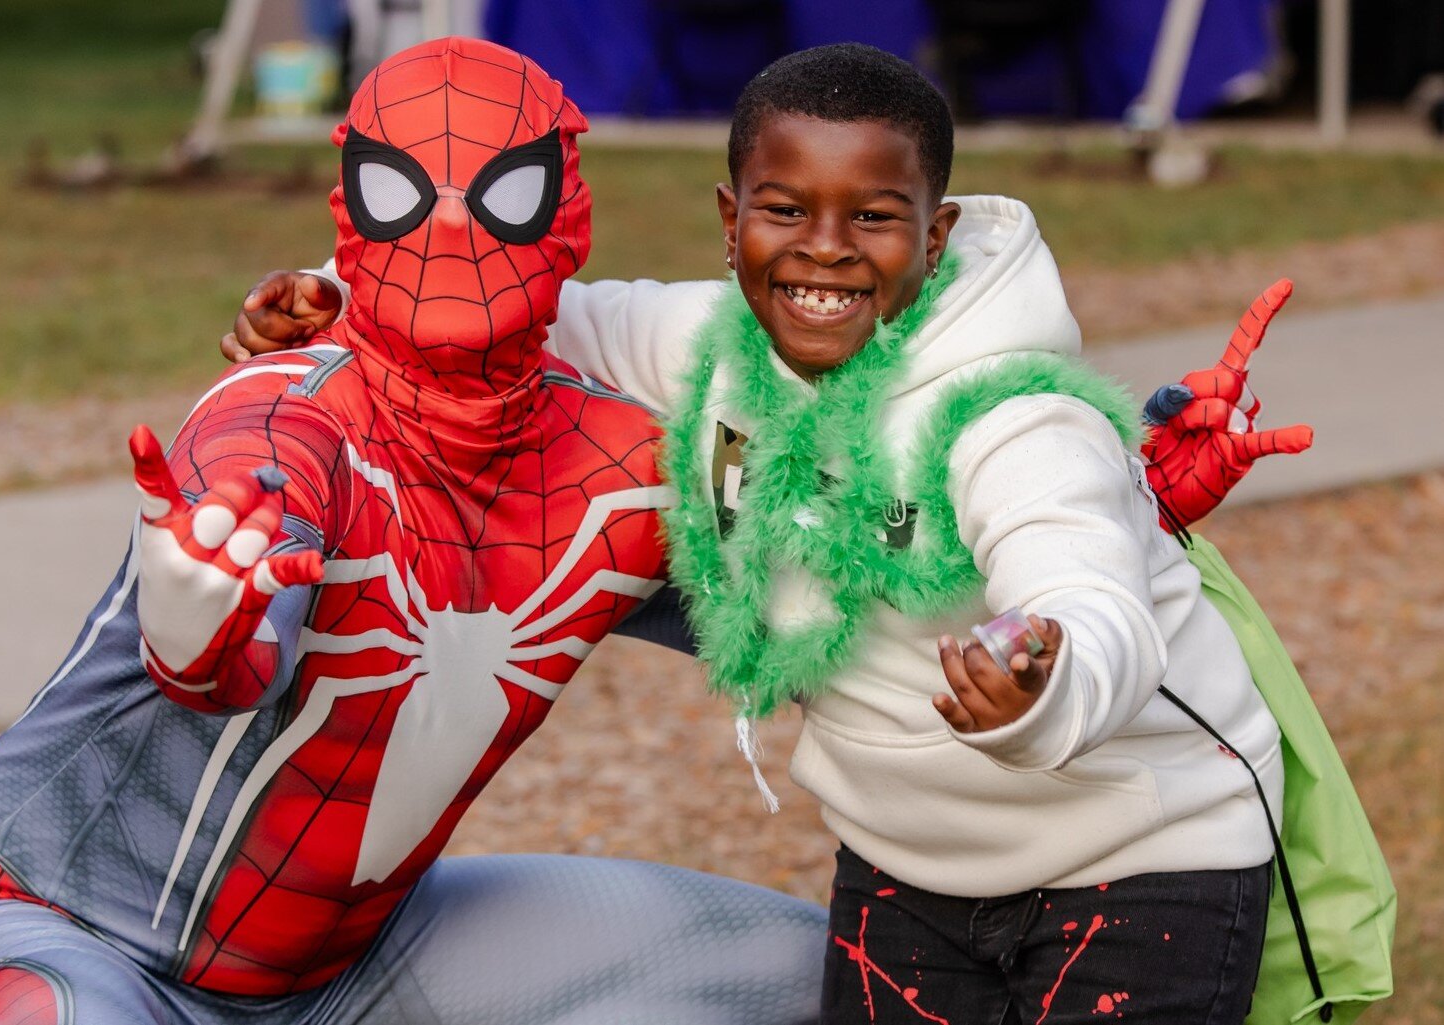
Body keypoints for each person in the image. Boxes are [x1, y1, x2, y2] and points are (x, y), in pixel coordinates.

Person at [234, 43, 1312, 1025]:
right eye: (785, 210)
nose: (825, 251)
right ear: (729, 217)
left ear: (933, 235)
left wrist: (1043, 674)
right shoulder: (717, 348)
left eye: (874, 217)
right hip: (908, 865)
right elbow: (520, 301)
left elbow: (1085, 584)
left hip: (1140, 860)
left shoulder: (1009, 410)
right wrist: (330, 297)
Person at [0, 38, 826, 1025]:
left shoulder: (632, 459)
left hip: (344, 970)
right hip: (53, 929)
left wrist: (951, 522)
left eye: (504, 192)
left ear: (568, 214)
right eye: (405, 190)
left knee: (803, 968)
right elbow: (226, 650)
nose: (457, 226)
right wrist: (190, 613)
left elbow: (838, 574)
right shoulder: (280, 413)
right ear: (353, 214)